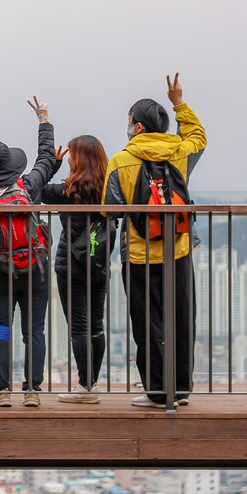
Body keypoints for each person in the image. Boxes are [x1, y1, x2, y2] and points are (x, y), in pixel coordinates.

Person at [103, 73, 205, 408]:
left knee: (148, 324)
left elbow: (109, 210)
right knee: (181, 320)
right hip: (179, 250)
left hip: (139, 255)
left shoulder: (121, 161)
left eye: (130, 121)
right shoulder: (178, 152)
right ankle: (182, 391)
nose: (128, 126)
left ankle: (158, 393)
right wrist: (180, 104)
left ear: (139, 127)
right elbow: (198, 137)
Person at [0, 97, 59, 408]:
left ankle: (0, 390)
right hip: (35, 267)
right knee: (34, 331)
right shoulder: (27, 186)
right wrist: (44, 119)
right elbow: (47, 159)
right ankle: (32, 390)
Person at [40, 135, 112, 404]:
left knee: (79, 327)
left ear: (78, 159)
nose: (69, 158)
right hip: (99, 262)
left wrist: (54, 165)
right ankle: (90, 383)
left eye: (72, 154)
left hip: (71, 263)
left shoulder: (68, 190)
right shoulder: (109, 189)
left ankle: (86, 386)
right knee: (96, 326)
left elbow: (36, 190)